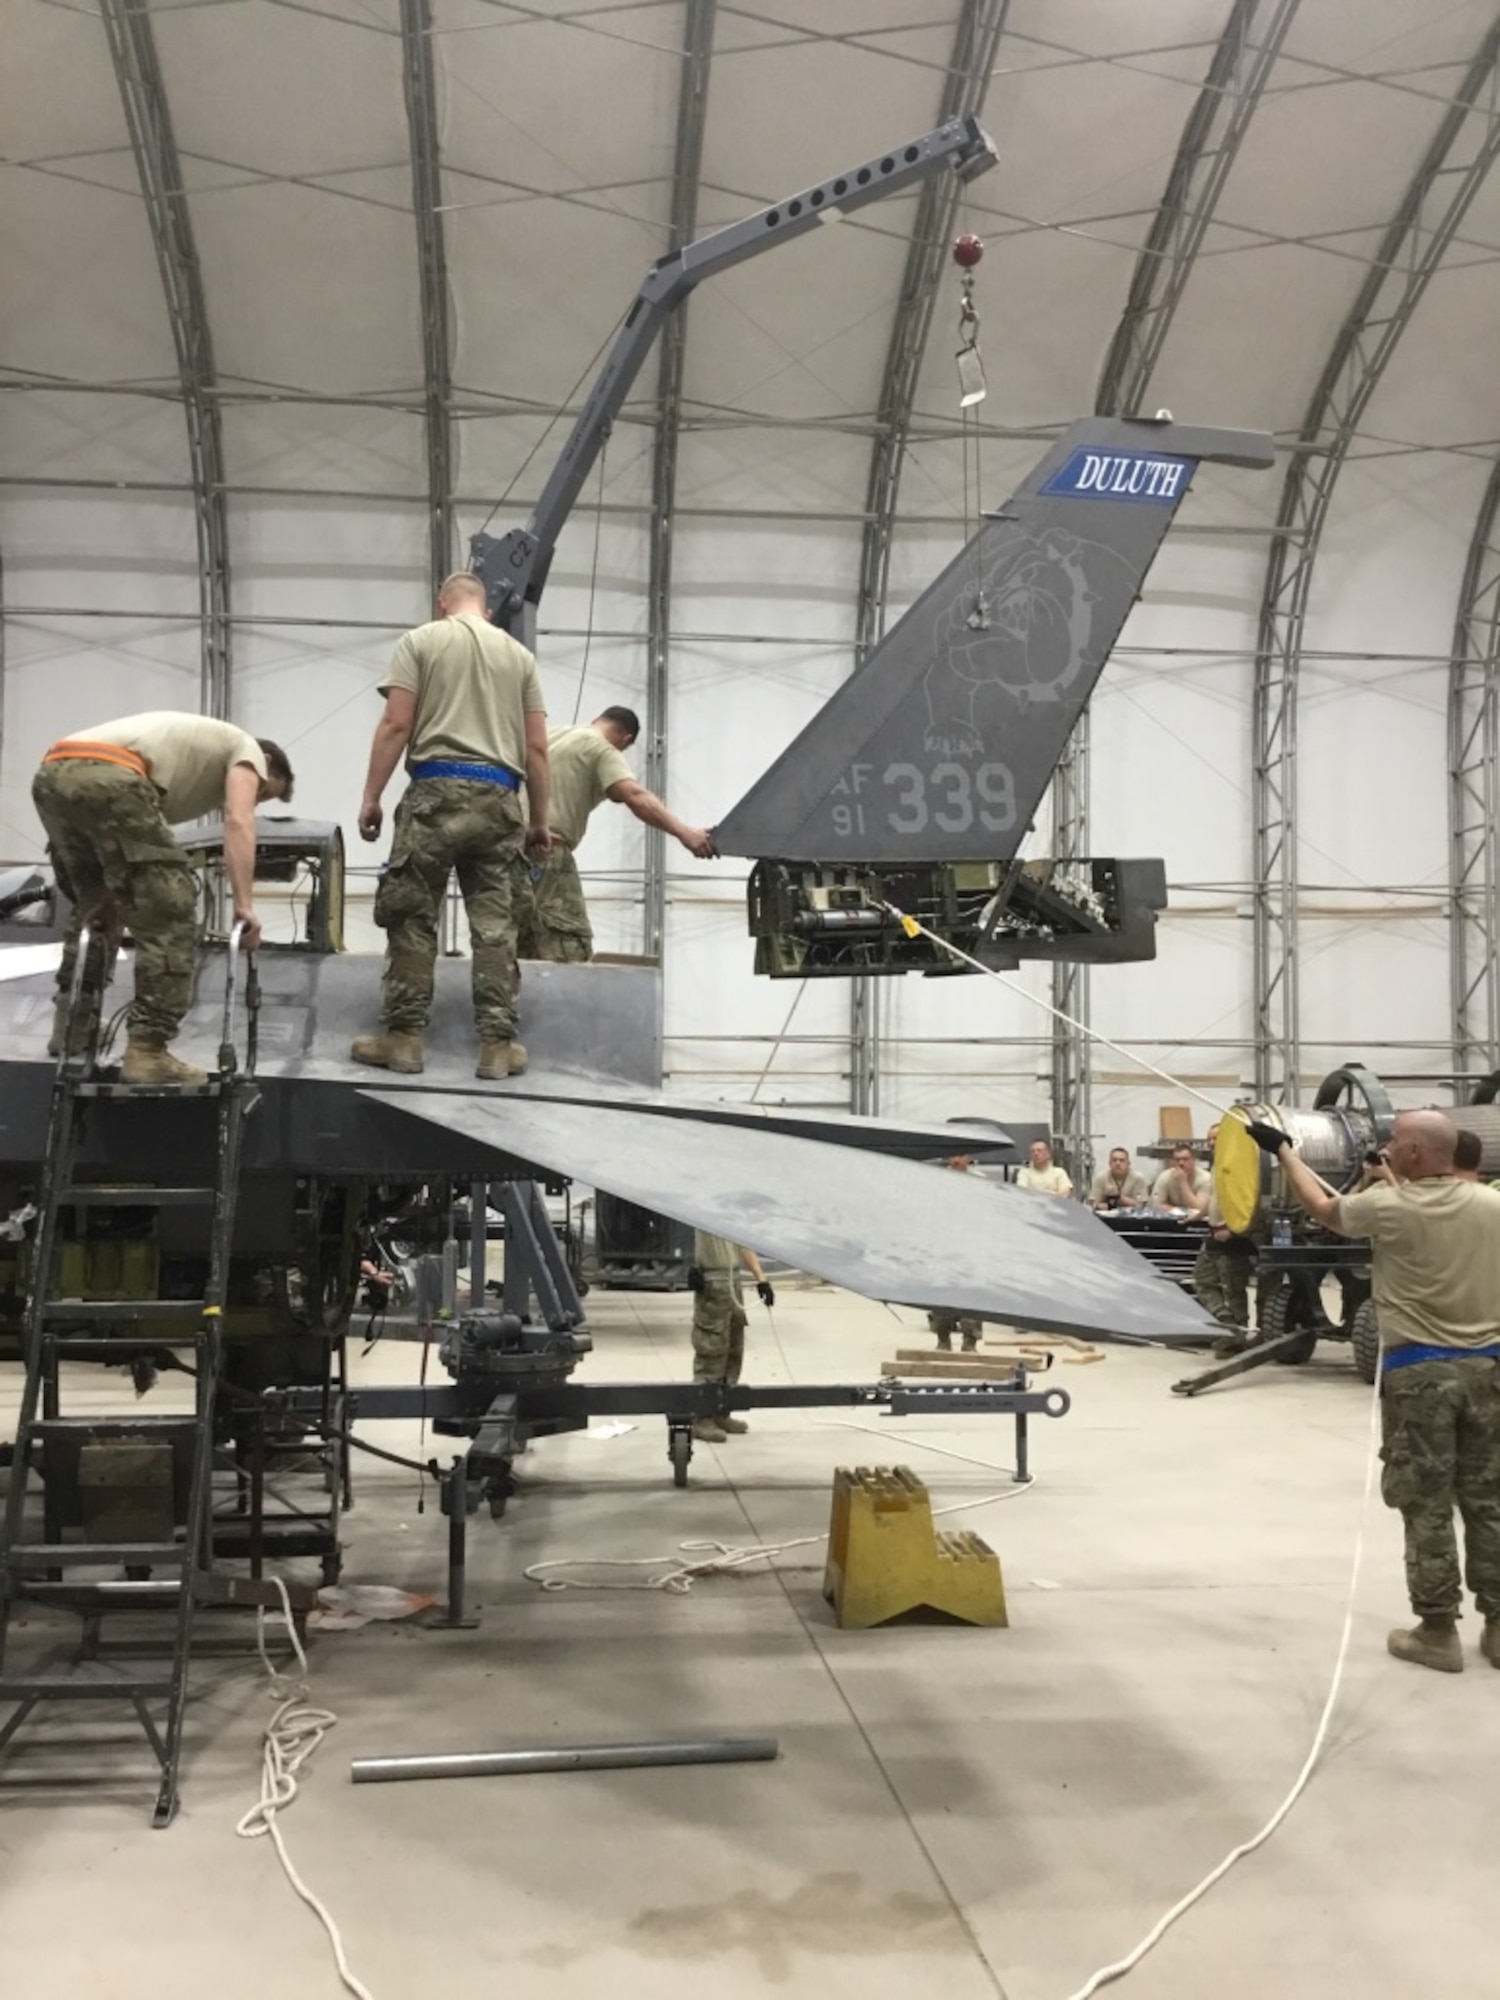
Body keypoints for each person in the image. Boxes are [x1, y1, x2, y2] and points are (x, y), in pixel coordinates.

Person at [1244, 1107, 1500, 1672]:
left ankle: (1438, 1631)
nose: (1388, 1144)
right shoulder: (1491, 1205)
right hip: (1489, 1373)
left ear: (1412, 1154)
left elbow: (1323, 1209)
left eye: (1396, 1140)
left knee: (1426, 1502)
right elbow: (1437, 1209)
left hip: (1420, 1375)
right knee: (1489, 1500)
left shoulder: (1388, 1207)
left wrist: (1285, 1150)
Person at [351, 571, 551, 1082]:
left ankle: (405, 1041)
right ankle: (496, 1046)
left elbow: (396, 724)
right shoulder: (519, 656)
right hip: (500, 797)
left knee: (413, 918)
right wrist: (540, 822)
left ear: (443, 604)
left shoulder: (420, 640)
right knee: (496, 926)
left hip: (434, 794)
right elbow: (537, 749)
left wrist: (371, 797)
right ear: (485, 610)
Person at [32, 712, 294, 1086]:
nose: (256, 799)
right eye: (263, 791)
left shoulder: (186, 764)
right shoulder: (247, 749)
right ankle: (149, 1050)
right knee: (171, 907)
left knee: (97, 909)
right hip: (111, 775)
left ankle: (73, 1026)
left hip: (53, 776)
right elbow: (238, 821)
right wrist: (244, 906)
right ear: (266, 765)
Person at [515, 708, 716, 961]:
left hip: (505, 851)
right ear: (626, 739)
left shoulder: (552, 735)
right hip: (545, 851)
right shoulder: (603, 748)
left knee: (515, 940)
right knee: (567, 943)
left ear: (596, 720)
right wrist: (685, 833)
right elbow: (633, 795)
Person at [689, 1228, 773, 1443]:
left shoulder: (729, 1213)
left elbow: (742, 1242)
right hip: (711, 1281)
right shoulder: (701, 1207)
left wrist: (760, 1278)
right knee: (711, 1349)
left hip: (732, 1281)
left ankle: (721, 1411)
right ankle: (702, 1417)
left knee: (734, 1350)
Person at [1151, 1143, 1212, 1214]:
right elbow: (1156, 1205)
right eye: (1177, 1160)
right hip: (1171, 1219)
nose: (1181, 1163)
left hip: (1198, 1221)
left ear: (1193, 1160)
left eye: (1185, 1159)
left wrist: (1183, 1183)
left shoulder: (1206, 1178)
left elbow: (1200, 1209)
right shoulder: (1165, 1176)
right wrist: (1178, 1211)